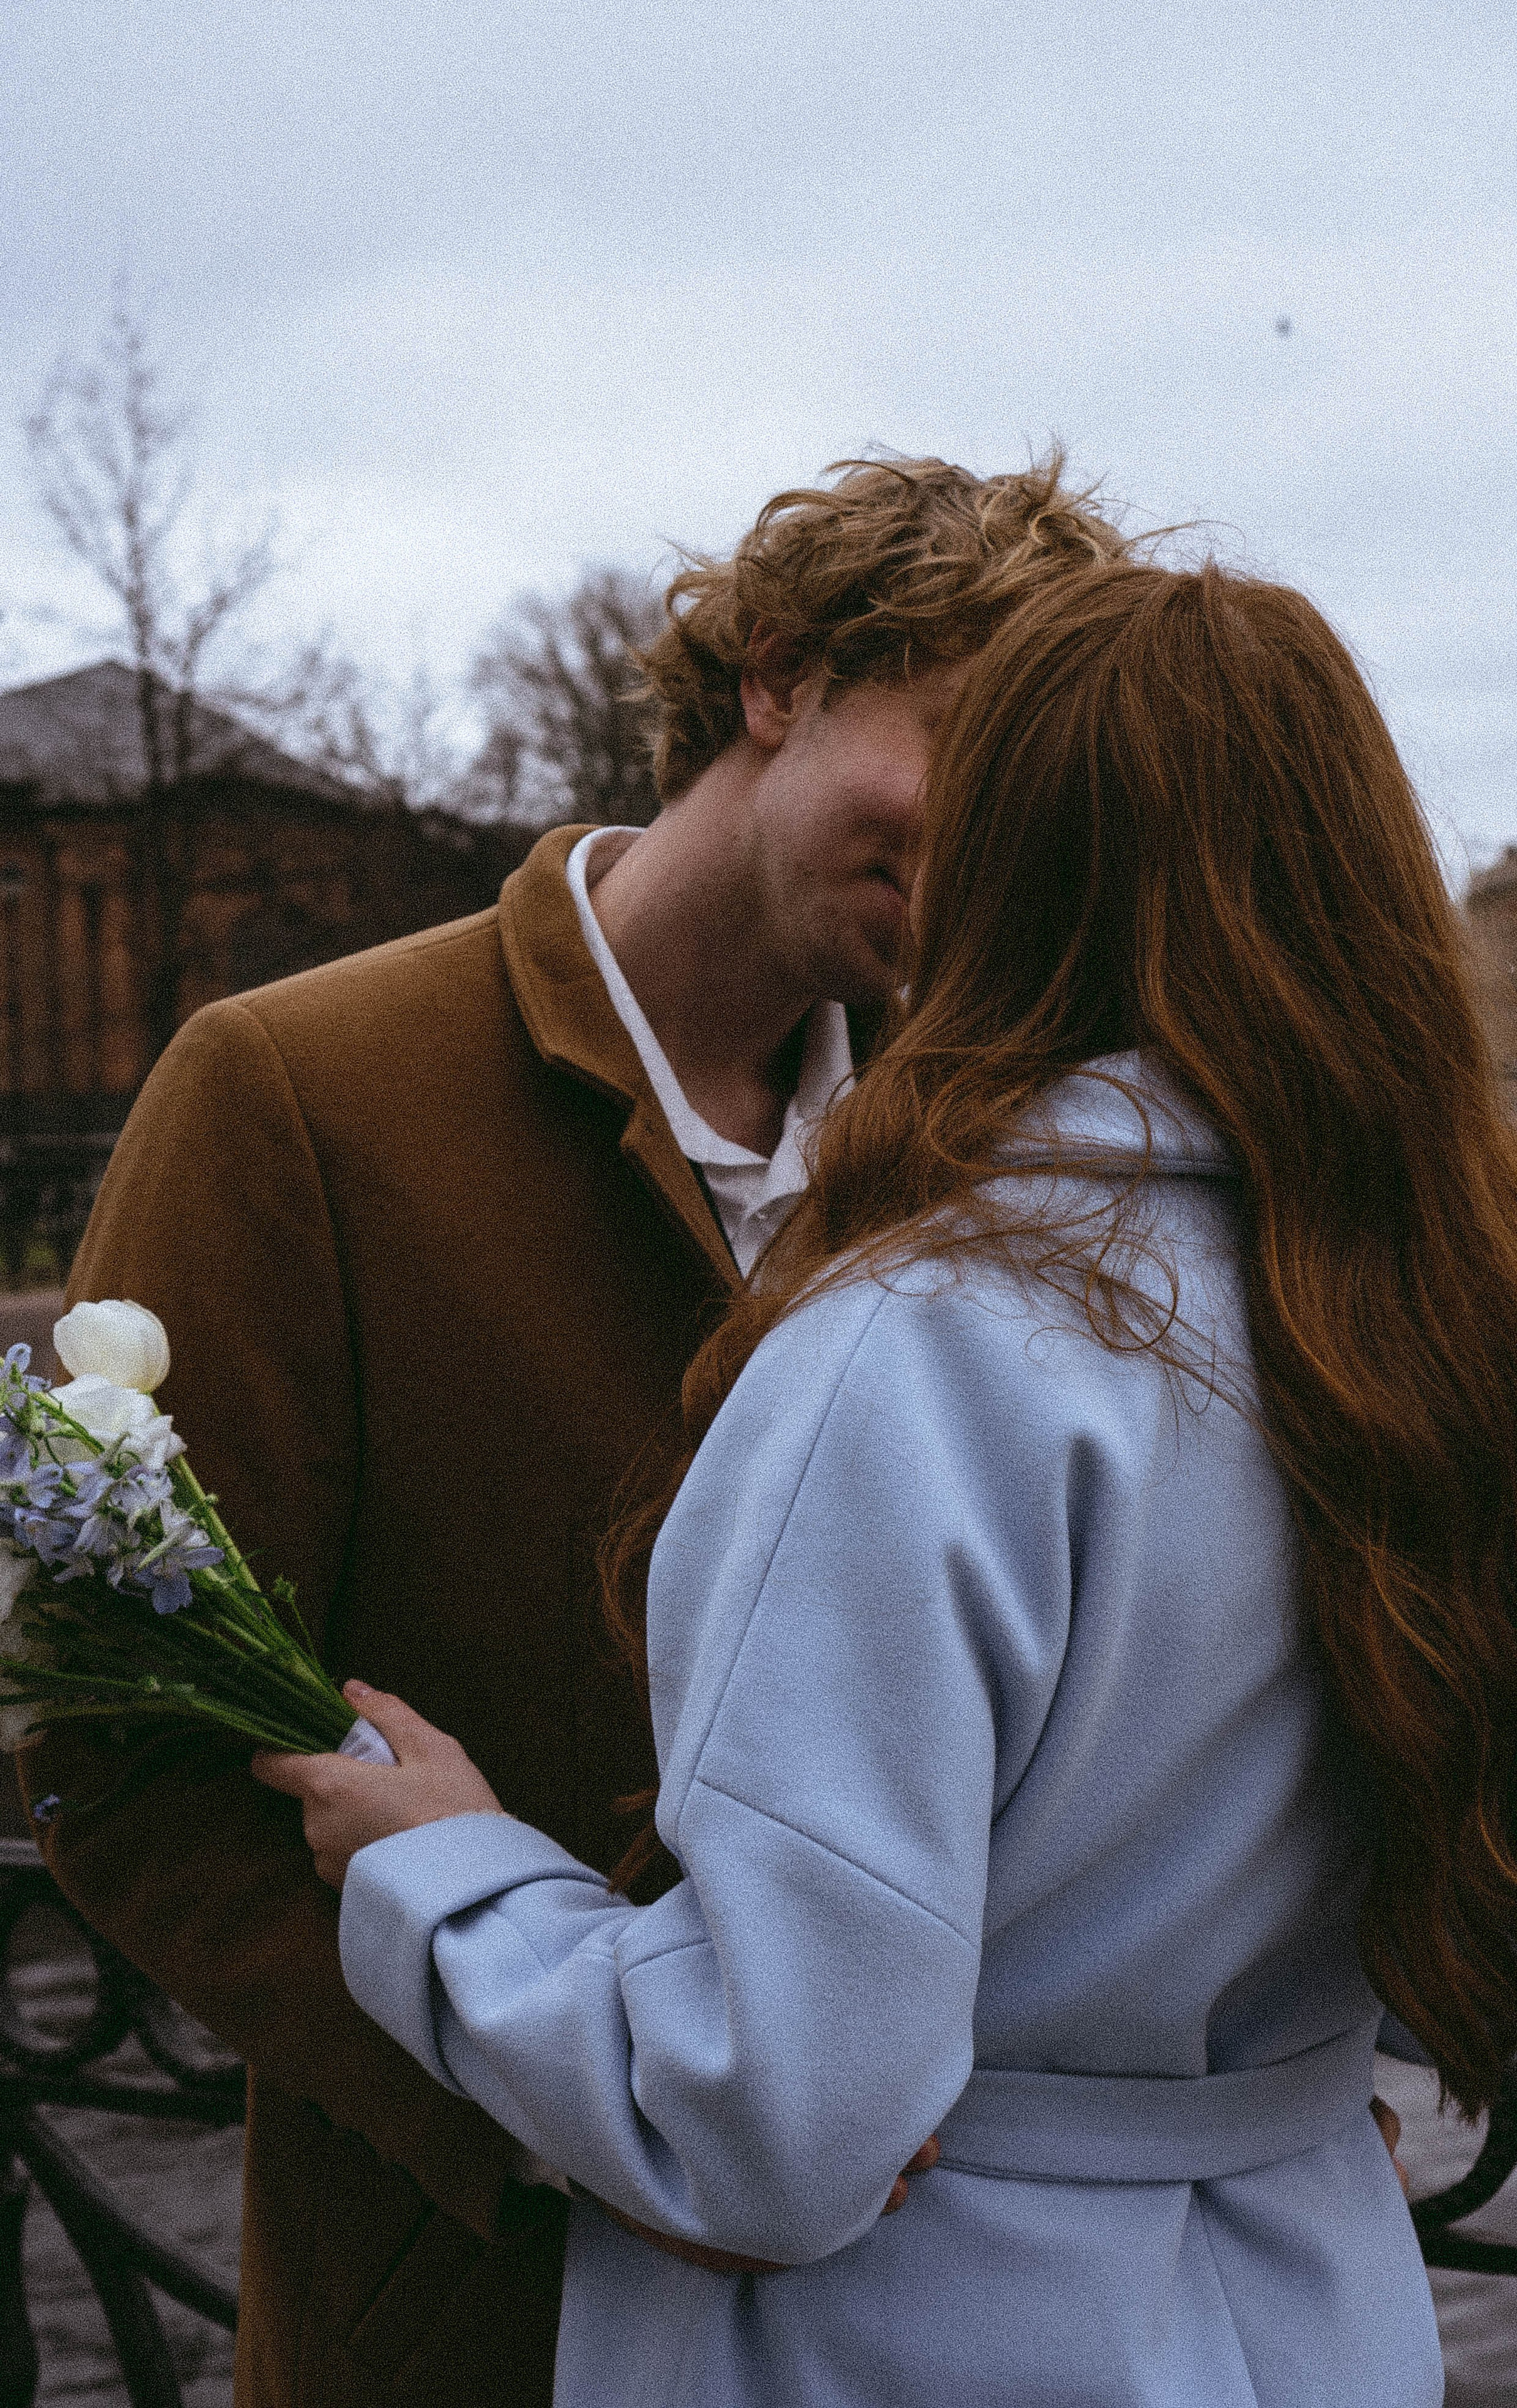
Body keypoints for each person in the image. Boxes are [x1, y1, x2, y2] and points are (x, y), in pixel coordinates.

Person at [260, 559, 1517, 2406]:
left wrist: (448, 1877)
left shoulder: (929, 1344)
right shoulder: (1469, 1327)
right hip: (1313, 2304)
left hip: (923, 2326)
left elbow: (780, 2118)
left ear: (1010, 867)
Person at [16, 456, 1127, 2408]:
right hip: (470, 2321)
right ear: (779, 674)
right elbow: (130, 1757)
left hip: (949, 2318)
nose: (987, 856)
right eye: (963, 751)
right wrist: (575, 2107)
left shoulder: (993, 1156)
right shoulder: (291, 1090)